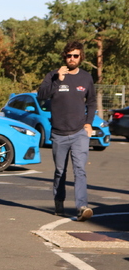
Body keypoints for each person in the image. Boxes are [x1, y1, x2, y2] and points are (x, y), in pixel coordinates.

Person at [37, 40, 96, 221]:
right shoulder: (53, 75)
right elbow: (41, 95)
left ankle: (82, 207)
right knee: (60, 171)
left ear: (81, 57)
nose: (72, 59)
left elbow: (92, 102)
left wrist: (89, 123)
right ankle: (59, 201)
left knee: (80, 169)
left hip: (79, 132)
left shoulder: (86, 78)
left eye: (75, 56)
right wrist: (58, 80)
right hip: (59, 133)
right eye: (69, 55)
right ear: (65, 56)